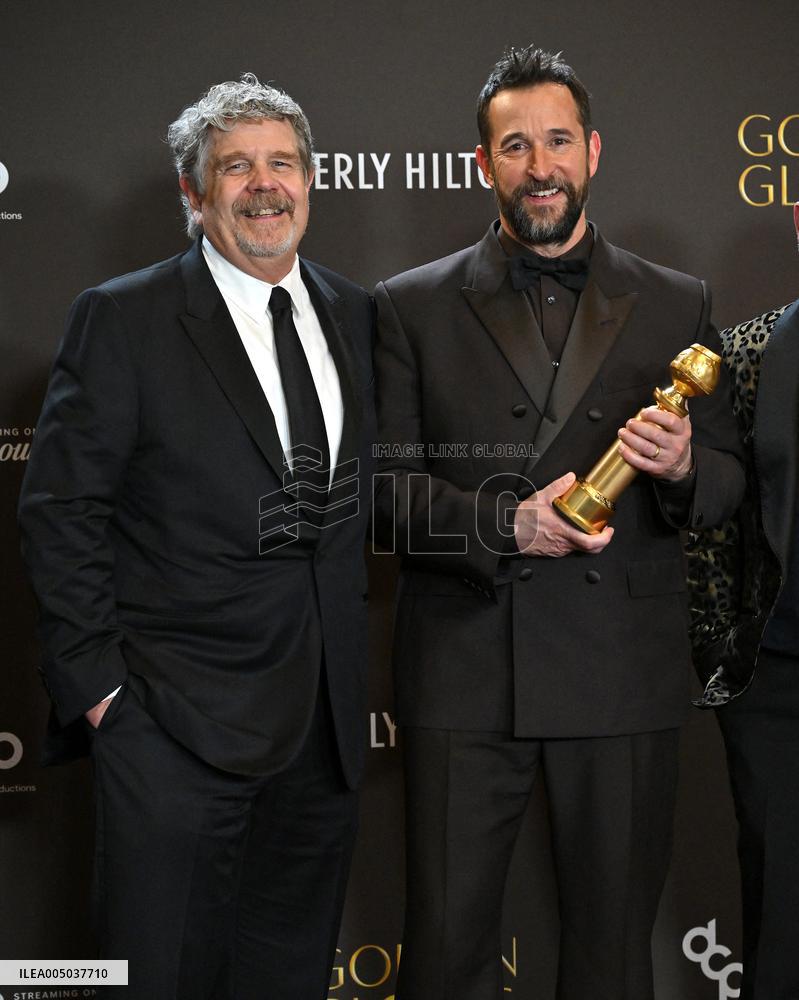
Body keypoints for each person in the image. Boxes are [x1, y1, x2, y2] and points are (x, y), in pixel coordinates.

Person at [372, 45, 744, 1000]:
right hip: (463, 676)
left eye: (558, 141)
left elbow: (727, 490)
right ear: (483, 162)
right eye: (515, 145)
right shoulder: (407, 306)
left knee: (613, 958)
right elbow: (383, 497)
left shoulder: (677, 300)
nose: (540, 165)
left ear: (593, 151)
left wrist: (685, 465)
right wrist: (509, 528)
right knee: (445, 955)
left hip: (619, 674)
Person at [18, 73, 375, 1000]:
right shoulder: (125, 317)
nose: (265, 186)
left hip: (321, 738)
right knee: (156, 979)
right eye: (235, 167)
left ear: (310, 179)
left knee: (286, 978)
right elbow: (62, 511)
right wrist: (101, 696)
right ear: (194, 193)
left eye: (283, 163)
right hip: (172, 731)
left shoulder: (356, 314)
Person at [687, 203, 799, 1000]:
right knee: (780, 921)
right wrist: (721, 652)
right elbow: (712, 518)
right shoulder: (748, 351)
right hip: (779, 678)